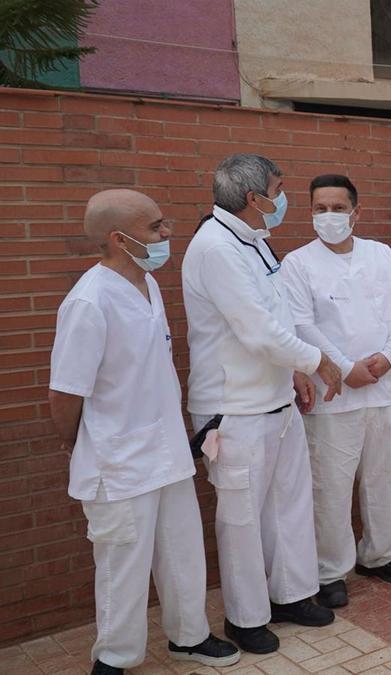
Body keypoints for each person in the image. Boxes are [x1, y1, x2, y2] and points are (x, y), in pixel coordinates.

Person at [49, 190, 240, 675]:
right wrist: (80, 444)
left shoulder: (148, 284)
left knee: (183, 554)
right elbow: (65, 394)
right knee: (122, 569)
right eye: (156, 228)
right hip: (118, 463)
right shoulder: (89, 302)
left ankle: (189, 637)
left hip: (167, 453)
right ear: (119, 238)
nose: (167, 234)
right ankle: (114, 659)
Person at [183, 154, 344, 654]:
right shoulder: (215, 248)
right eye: (279, 187)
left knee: (289, 505)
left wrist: (294, 371)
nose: (283, 196)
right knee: (242, 518)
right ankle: (246, 616)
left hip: (274, 399)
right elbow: (255, 331)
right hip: (235, 409)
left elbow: (276, 319)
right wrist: (320, 361)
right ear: (255, 198)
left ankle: (291, 594)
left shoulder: (252, 240)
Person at [280, 175, 391, 610]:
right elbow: (301, 324)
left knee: (382, 478)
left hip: (383, 388)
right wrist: (344, 368)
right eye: (320, 207)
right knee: (331, 486)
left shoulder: (381, 255)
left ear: (356, 213)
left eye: (338, 208)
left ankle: (379, 555)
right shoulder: (297, 263)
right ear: (309, 212)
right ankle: (331, 570)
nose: (329, 216)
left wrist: (388, 357)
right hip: (334, 395)